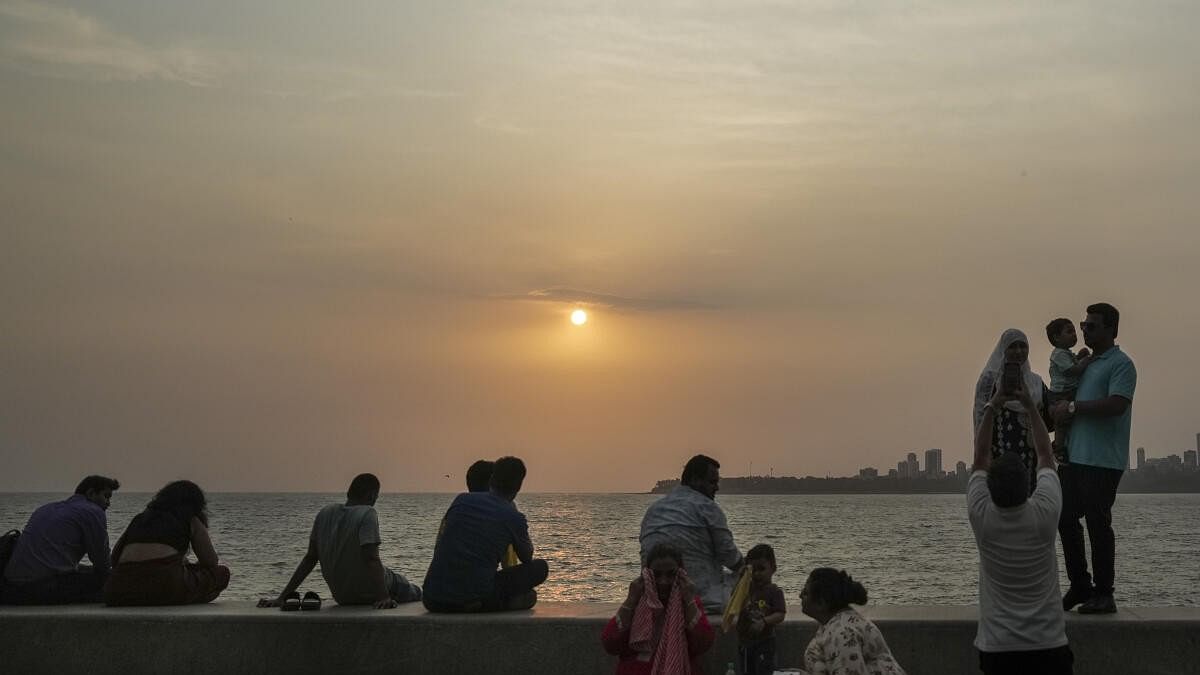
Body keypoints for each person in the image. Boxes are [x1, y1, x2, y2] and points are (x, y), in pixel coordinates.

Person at [970, 380, 1073, 674]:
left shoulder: (983, 518)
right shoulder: (1044, 514)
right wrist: (1030, 405)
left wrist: (992, 405)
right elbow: (1044, 455)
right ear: (1026, 485)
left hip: (998, 649)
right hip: (1049, 645)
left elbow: (980, 459)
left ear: (990, 487)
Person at [1050, 303, 1136, 615]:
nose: (1085, 330)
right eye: (1084, 325)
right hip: (1074, 459)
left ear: (1112, 330)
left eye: (1092, 326)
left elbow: (1117, 405)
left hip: (1103, 461)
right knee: (1063, 517)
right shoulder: (1083, 365)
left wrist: (1073, 409)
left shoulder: (1121, 364)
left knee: (1098, 524)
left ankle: (1105, 592)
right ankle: (1080, 585)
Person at [260, 473, 421, 609]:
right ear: (372, 496)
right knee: (416, 592)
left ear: (349, 492)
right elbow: (371, 558)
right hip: (373, 591)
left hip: (342, 596)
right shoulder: (367, 513)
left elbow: (310, 559)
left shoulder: (324, 513)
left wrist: (282, 597)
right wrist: (383, 597)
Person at [423, 456, 549, 612]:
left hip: (432, 599)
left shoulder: (461, 500)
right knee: (539, 571)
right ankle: (478, 604)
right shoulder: (512, 516)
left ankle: (476, 602)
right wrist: (515, 519)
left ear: (492, 480)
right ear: (518, 486)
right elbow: (527, 557)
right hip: (473, 596)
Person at [639, 454, 743, 613]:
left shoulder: (654, 509)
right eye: (712, 482)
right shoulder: (708, 508)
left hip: (654, 598)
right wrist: (746, 566)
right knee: (747, 573)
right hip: (701, 600)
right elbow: (729, 556)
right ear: (695, 480)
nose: (717, 488)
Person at [103, 480, 230, 606]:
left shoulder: (140, 519)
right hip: (166, 586)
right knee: (221, 573)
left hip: (119, 589)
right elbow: (210, 561)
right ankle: (188, 597)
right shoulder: (190, 519)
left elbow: (114, 558)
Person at [0, 475, 119, 604]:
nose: (108, 503)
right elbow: (102, 563)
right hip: (43, 587)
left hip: (12, 586)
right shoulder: (93, 511)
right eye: (106, 496)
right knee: (112, 579)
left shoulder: (45, 509)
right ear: (90, 493)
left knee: (85, 570)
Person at [601, 543, 715, 675]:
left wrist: (689, 600)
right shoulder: (637, 601)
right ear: (647, 574)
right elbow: (610, 644)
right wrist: (631, 600)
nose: (663, 581)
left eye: (670, 574)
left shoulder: (688, 603)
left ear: (680, 574)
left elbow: (703, 643)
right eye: (657, 575)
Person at [973, 328, 1050, 493]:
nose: (1018, 351)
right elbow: (980, 420)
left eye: (1023, 346)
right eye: (1012, 346)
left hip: (1031, 458)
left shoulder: (1036, 383)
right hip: (999, 457)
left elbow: (1048, 419)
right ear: (1003, 350)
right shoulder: (989, 382)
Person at [796, 568, 905, 675]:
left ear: (821, 603)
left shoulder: (842, 633)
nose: (800, 595)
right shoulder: (835, 623)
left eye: (805, 593)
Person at [1045, 318, 1093, 460]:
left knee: (1067, 420)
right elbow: (1072, 370)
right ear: (1057, 338)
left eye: (1074, 331)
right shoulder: (1058, 354)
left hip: (1068, 393)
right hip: (1061, 395)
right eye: (1069, 331)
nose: (1074, 334)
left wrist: (1081, 356)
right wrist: (1087, 361)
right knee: (1061, 422)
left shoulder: (1066, 353)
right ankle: (1058, 448)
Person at [735, 544, 786, 675]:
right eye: (753, 570)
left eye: (761, 569)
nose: (757, 574)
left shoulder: (774, 591)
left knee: (764, 670)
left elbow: (780, 614)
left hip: (765, 642)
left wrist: (764, 621)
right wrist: (740, 580)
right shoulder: (747, 589)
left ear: (773, 568)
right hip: (745, 641)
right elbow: (734, 600)